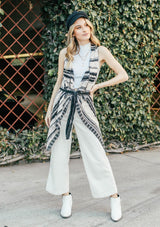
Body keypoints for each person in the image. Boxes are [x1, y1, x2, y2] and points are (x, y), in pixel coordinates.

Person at [45, 10, 129, 222]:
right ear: (73, 31)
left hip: (84, 103)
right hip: (62, 103)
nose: (85, 30)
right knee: (59, 151)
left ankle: (114, 197)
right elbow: (58, 82)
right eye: (79, 27)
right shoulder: (65, 53)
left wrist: (97, 86)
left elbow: (123, 75)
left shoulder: (100, 51)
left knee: (95, 151)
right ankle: (65, 197)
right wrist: (49, 109)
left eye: (87, 26)